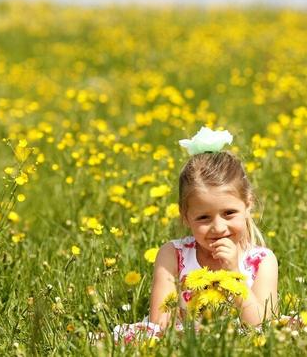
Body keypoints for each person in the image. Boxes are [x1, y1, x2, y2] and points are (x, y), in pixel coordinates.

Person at [113, 127, 278, 344]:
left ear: (248, 205)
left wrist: (234, 273)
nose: (218, 228)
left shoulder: (262, 262)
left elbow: (262, 324)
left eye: (229, 213)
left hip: (239, 340)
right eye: (203, 218)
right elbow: (159, 321)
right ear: (185, 217)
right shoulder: (173, 254)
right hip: (182, 339)